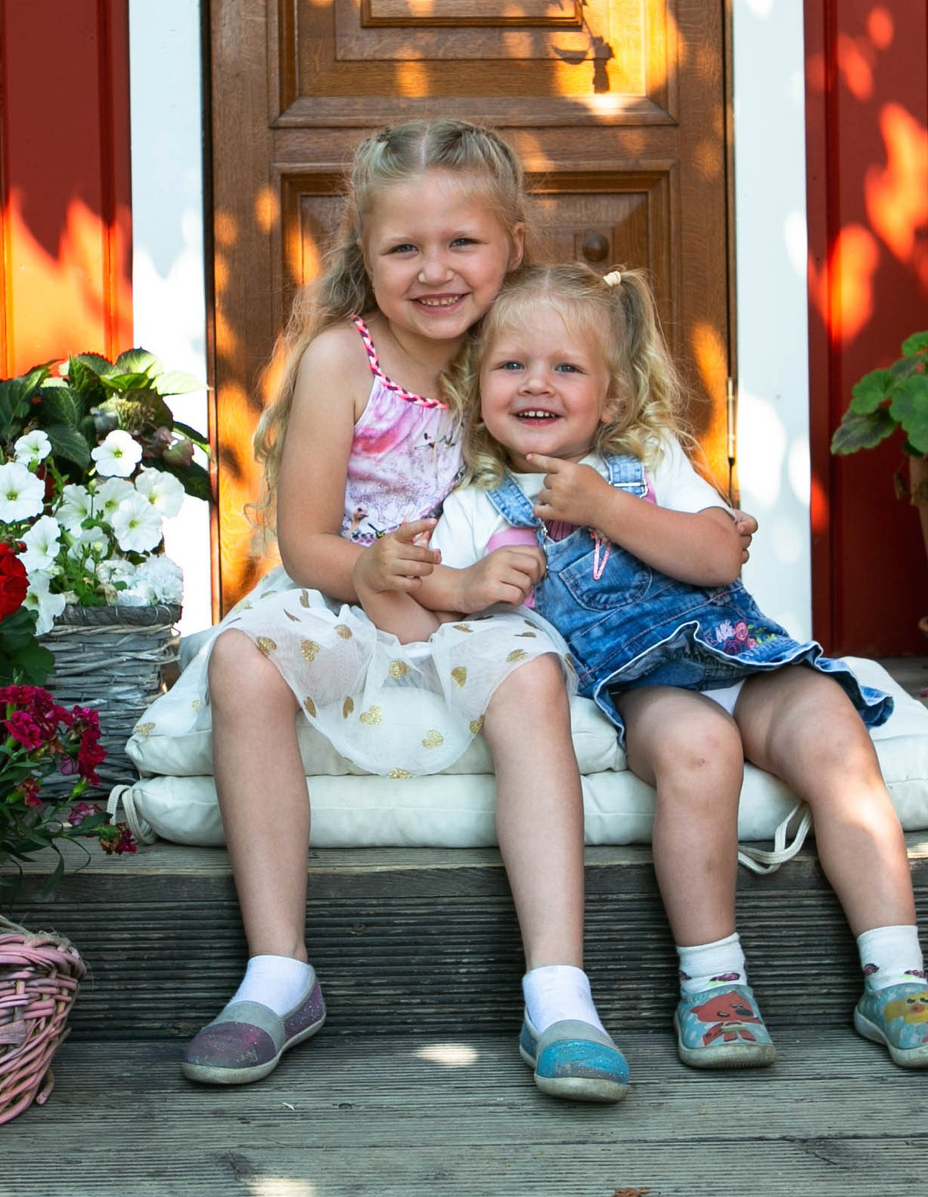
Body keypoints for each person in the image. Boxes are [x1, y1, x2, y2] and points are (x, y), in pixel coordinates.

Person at [432, 263, 928, 1072]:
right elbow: (432, 602)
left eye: (566, 368)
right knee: (700, 753)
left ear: (612, 399)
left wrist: (606, 506)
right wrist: (470, 585)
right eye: (511, 365)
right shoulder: (477, 505)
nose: (536, 384)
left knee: (836, 735)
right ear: (476, 387)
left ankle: (898, 978)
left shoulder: (649, 462)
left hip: (741, 654)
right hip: (647, 684)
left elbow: (720, 555)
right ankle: (714, 983)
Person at [174, 120, 627, 1103]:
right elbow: (305, 543)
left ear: (511, 243)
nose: (434, 270)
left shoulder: (523, 353)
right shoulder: (343, 361)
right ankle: (278, 969)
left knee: (533, 680)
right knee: (242, 661)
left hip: (478, 607)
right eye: (403, 247)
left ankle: (559, 988)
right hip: (351, 590)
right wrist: (373, 568)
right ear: (363, 254)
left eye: (462, 241)